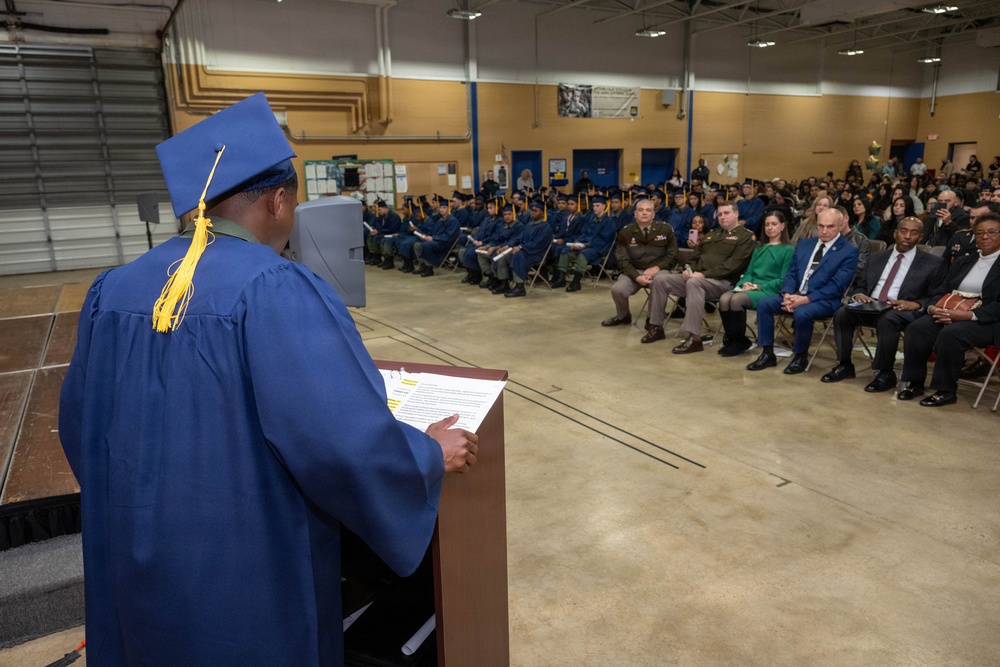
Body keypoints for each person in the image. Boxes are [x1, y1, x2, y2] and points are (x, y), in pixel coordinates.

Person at [58, 93, 478, 667]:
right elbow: (341, 443)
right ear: (279, 200)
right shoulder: (273, 288)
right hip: (242, 573)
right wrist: (425, 454)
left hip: (136, 560)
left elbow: (80, 429)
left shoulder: (113, 289)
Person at [820, 216, 944, 392]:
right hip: (873, 305)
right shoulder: (877, 257)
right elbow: (861, 285)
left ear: (921, 237)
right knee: (843, 313)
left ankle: (884, 373)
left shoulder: (933, 263)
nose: (907, 236)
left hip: (901, 309)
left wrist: (916, 304)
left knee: (888, 318)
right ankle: (844, 365)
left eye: (913, 233)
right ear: (895, 233)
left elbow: (936, 295)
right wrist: (860, 295)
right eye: (903, 231)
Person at [898, 212, 1000, 406]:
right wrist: (933, 309)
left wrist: (967, 315)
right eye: (979, 233)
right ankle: (914, 382)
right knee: (917, 328)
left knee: (952, 333)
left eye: (992, 232)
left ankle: (946, 391)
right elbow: (942, 289)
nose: (985, 237)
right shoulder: (964, 261)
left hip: (987, 320)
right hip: (949, 311)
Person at [747, 209, 860, 374]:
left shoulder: (848, 251)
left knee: (802, 313)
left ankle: (800, 356)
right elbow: (791, 273)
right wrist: (787, 293)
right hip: (795, 295)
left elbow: (837, 286)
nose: (824, 231)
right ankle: (767, 353)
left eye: (830, 226)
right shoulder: (804, 244)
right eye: (821, 226)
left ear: (840, 225)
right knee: (765, 304)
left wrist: (806, 299)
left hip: (824, 300)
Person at [645, 201, 755, 352]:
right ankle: (656, 327)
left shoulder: (746, 237)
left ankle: (694, 338)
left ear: (736, 214)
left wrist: (702, 275)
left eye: (727, 213)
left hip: (723, 283)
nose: (722, 217)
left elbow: (732, 266)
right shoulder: (712, 235)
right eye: (720, 214)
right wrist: (688, 270)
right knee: (660, 279)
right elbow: (694, 258)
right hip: (697, 279)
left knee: (694, 283)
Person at [717, 212, 794, 357]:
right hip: (751, 287)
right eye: (767, 224)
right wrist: (743, 284)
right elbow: (749, 273)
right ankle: (734, 339)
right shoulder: (759, 248)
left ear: (782, 226)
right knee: (724, 298)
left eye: (774, 224)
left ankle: (738, 342)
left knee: (736, 300)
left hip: (769, 289)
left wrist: (759, 287)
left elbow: (784, 278)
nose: (770, 228)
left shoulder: (788, 250)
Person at [600, 197, 678, 328]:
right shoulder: (626, 232)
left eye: (648, 210)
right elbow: (622, 260)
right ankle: (623, 315)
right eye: (641, 210)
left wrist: (657, 267)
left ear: (653, 214)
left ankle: (652, 320)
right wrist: (636, 277)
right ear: (635, 214)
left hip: (659, 270)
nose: (644, 213)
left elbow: (673, 254)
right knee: (617, 289)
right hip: (635, 270)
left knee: (660, 283)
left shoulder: (665, 230)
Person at [504, 199, 554, 298]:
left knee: (518, 255)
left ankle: (520, 287)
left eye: (536, 211)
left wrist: (521, 247)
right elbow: (521, 239)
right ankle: (504, 283)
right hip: (526, 251)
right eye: (532, 210)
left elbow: (537, 245)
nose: (532, 212)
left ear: (543, 213)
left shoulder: (545, 227)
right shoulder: (529, 225)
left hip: (537, 253)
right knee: (506, 254)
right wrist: (512, 247)